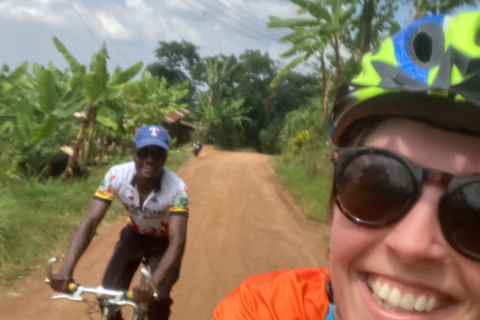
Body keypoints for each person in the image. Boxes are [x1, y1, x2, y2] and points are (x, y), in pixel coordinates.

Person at [212, 11, 480, 320]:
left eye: (474, 215)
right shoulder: (267, 309)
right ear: (333, 204)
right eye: (378, 187)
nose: (412, 246)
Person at [49, 125, 189, 320]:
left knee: (159, 298)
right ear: (133, 153)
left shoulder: (177, 189)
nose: (150, 159)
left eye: (157, 154)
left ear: (165, 158)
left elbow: (178, 241)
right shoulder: (116, 175)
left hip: (163, 244)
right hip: (133, 236)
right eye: (144, 152)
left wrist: (152, 285)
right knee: (107, 296)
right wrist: (66, 270)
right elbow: (90, 221)